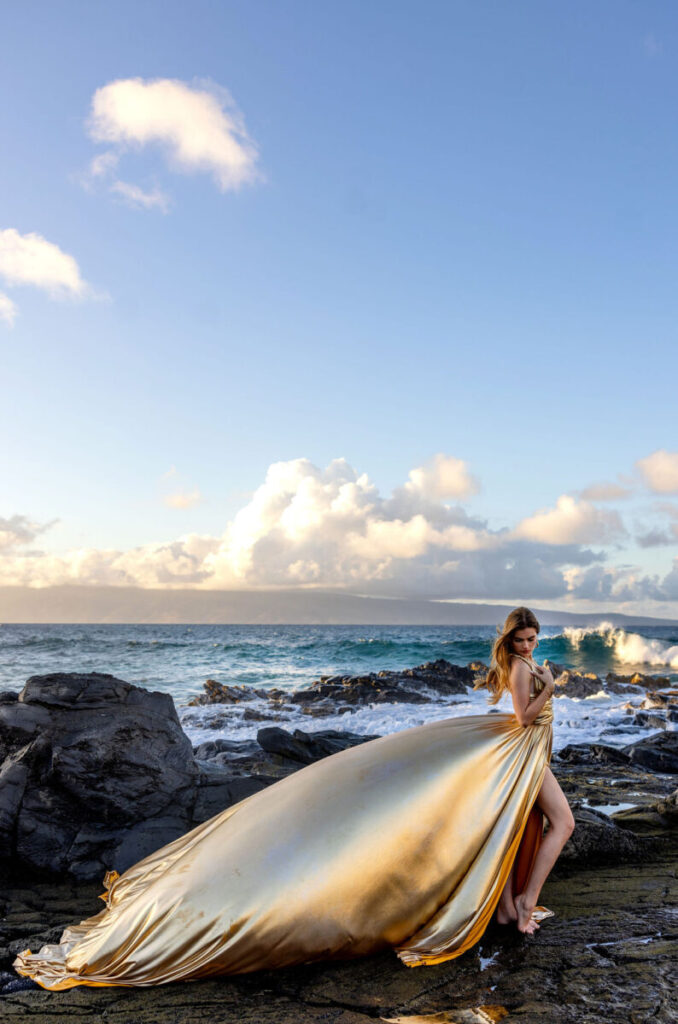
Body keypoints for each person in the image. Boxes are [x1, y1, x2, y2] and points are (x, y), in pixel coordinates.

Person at [14, 606, 574, 990]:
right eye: (520, 640)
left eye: (531, 640)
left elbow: (519, 718)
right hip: (515, 753)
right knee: (559, 824)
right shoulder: (525, 670)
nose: (526, 647)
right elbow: (524, 716)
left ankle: (510, 904)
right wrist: (553, 686)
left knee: (515, 826)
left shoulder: (518, 664)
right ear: (512, 640)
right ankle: (520, 906)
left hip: (518, 756)